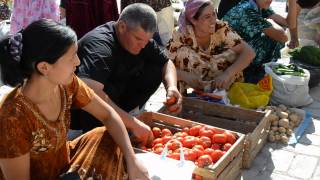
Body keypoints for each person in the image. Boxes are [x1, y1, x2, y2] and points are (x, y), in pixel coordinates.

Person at [0, 19, 150, 180]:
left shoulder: (67, 84)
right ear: (44, 67)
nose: (78, 62)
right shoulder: (12, 117)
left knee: (109, 136)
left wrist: (132, 159)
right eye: (72, 57)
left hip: (65, 167)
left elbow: (108, 116)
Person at [72, 3, 182, 143]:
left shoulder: (142, 39)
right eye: (138, 39)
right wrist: (133, 123)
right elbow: (89, 92)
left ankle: (125, 117)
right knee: (104, 89)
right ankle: (100, 132)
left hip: (117, 94)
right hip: (82, 110)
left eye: (147, 40)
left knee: (156, 68)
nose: (143, 45)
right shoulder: (100, 45)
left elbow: (166, 62)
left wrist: (172, 87)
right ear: (122, 26)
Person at [166, 0, 255, 93]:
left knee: (233, 52)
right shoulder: (180, 35)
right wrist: (185, 76)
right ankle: (179, 97)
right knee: (181, 54)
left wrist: (227, 74)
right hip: (195, 78)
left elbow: (249, 52)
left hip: (219, 79)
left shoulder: (220, 28)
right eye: (207, 17)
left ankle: (226, 92)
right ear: (194, 20)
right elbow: (164, 66)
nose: (213, 20)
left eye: (214, 14)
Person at [223, 0, 288, 83]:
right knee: (272, 38)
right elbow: (283, 37)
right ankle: (253, 72)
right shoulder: (247, 10)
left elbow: (287, 23)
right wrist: (270, 22)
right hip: (227, 57)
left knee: (276, 31)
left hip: (239, 49)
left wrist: (292, 2)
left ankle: (257, 69)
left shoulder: (259, 4)